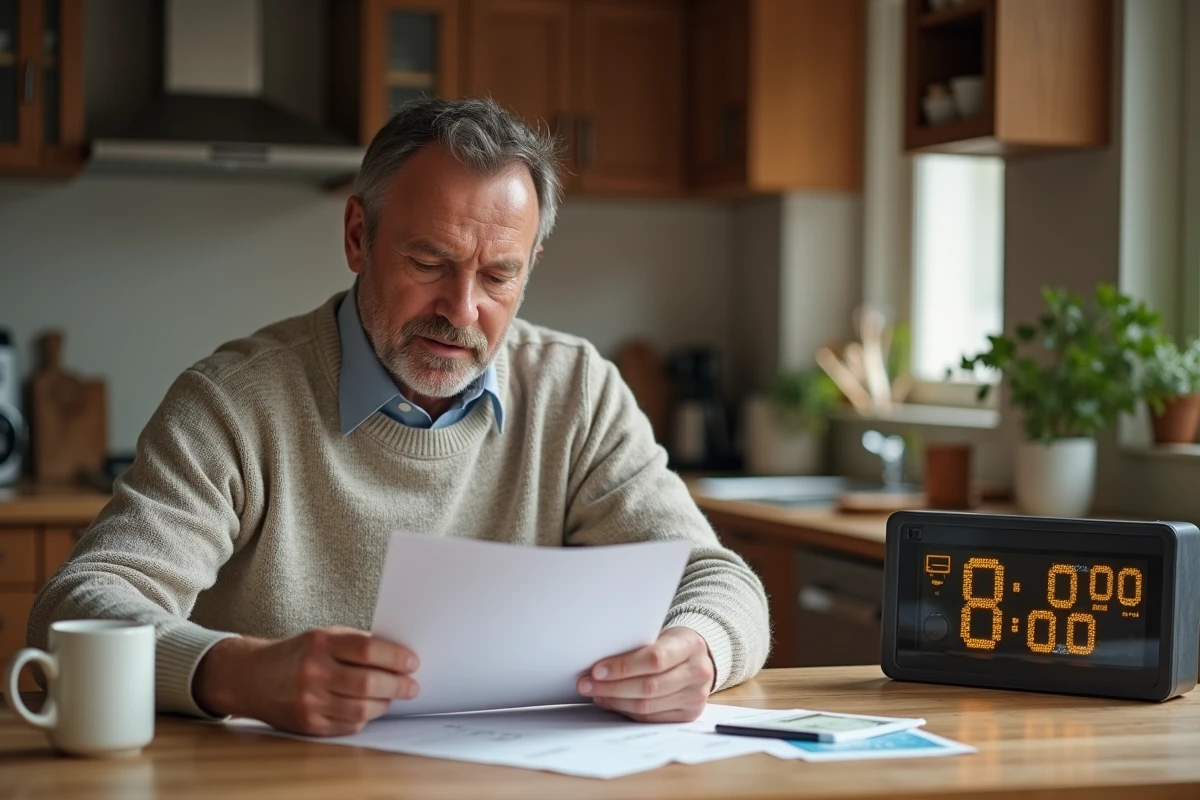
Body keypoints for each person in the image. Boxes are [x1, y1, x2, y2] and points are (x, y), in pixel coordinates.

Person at [28, 97, 770, 736]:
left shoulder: (576, 390)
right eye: (429, 262)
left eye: (499, 276)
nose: (461, 309)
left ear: (531, 264)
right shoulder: (234, 402)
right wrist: (238, 674)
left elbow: (716, 579)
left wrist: (699, 651)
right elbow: (75, 609)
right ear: (358, 237)